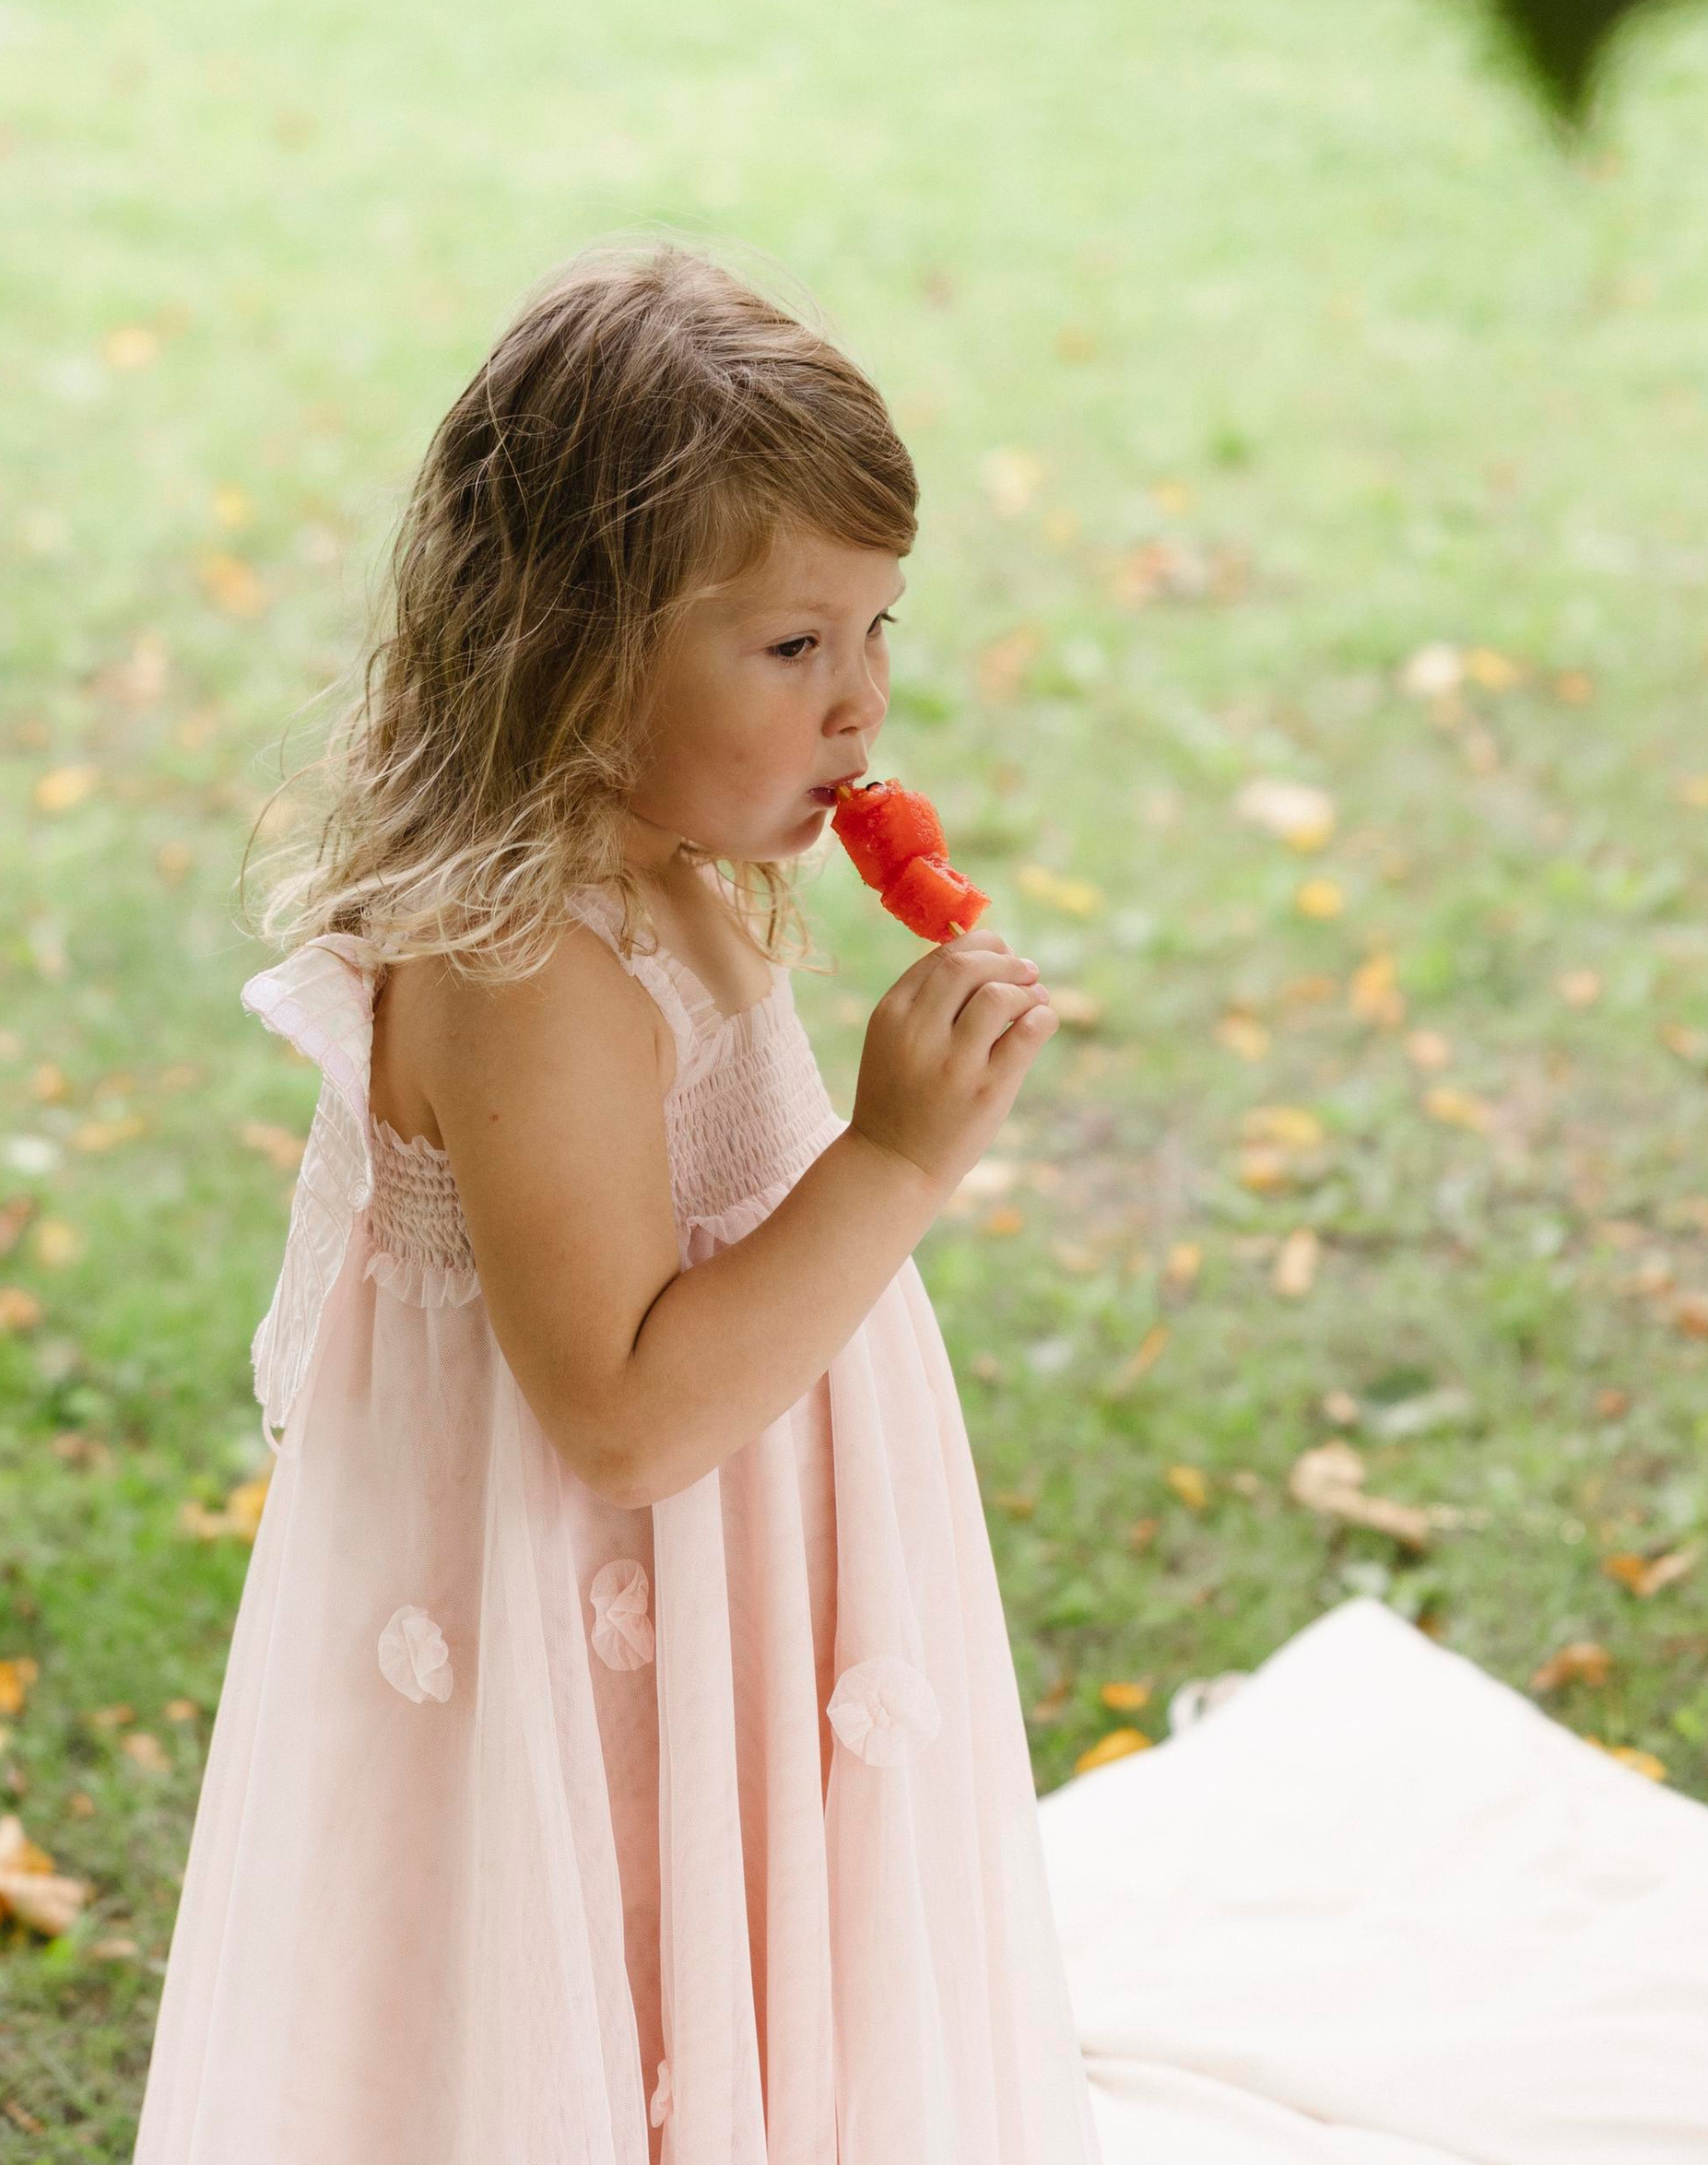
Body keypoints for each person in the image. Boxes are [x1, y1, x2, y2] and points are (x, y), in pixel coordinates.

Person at [132, 245, 1103, 2162]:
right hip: (599, 1630)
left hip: (715, 1596)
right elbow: (624, 1413)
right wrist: (891, 1162)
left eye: (876, 629)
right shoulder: (528, 962)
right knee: (618, 2006)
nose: (860, 705)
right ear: (575, 648)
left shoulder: (655, 862)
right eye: (789, 647)